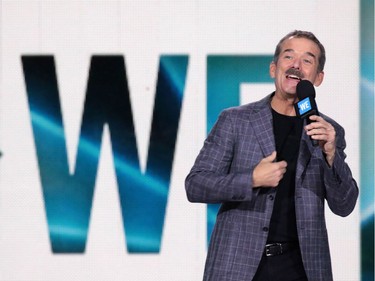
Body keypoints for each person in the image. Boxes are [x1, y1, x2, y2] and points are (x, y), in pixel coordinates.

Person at [185, 30, 358, 281]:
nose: (296, 65)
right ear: (273, 68)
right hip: (238, 266)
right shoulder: (236, 120)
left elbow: (344, 205)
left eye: (307, 60)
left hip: (302, 269)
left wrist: (331, 155)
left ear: (318, 78)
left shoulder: (328, 132)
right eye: (289, 57)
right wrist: (251, 179)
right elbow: (196, 185)